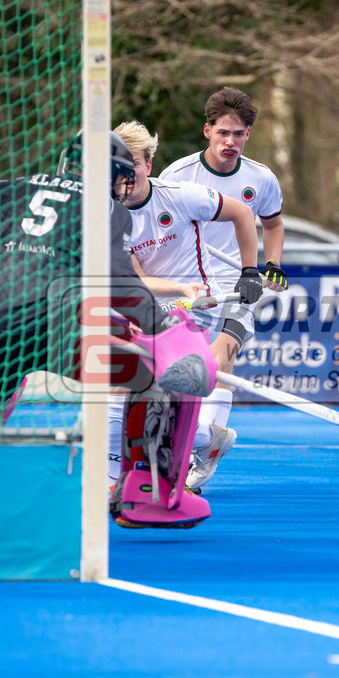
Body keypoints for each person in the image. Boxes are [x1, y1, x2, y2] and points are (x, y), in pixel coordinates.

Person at [0, 131, 220, 528]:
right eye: (121, 176)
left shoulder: (18, 188)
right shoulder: (106, 209)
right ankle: (147, 492)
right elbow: (120, 283)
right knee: (153, 374)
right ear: (108, 174)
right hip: (55, 331)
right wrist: (164, 330)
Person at [112, 120, 262, 491]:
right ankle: (206, 438)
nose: (127, 173)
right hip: (151, 303)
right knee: (131, 390)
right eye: (119, 165)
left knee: (128, 385)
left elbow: (242, 213)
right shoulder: (109, 216)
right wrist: (178, 286)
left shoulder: (180, 195)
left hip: (200, 308)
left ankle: (113, 481)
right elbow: (134, 280)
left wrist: (250, 271)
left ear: (148, 164)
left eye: (135, 163)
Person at [159, 86, 288, 491]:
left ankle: (207, 452)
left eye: (239, 134)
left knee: (221, 358)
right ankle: (202, 440)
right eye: (223, 133)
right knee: (180, 371)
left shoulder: (261, 178)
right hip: (191, 288)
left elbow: (273, 224)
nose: (231, 142)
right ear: (207, 131)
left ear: (248, 134)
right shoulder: (177, 176)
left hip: (240, 285)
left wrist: (272, 264)